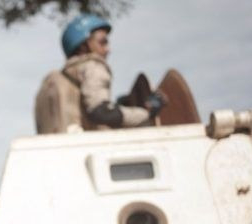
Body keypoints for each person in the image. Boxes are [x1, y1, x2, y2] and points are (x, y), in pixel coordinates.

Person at [34, 14, 166, 134]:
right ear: (83, 46)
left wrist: (121, 105)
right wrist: (146, 113)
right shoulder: (93, 66)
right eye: (103, 42)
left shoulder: (54, 79)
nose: (108, 49)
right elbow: (101, 112)